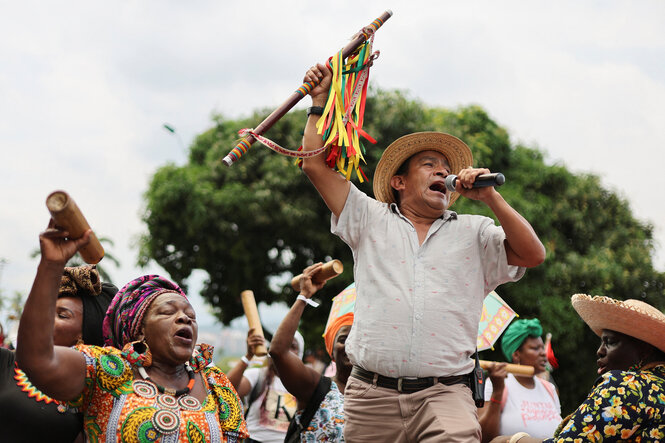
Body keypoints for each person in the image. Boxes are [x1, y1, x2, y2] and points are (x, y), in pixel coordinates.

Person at [299, 64, 546, 441]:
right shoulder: (368, 218)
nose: (442, 172)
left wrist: (491, 197)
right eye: (429, 165)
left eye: (447, 168)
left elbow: (533, 255)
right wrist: (319, 103)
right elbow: (314, 164)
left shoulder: (475, 230)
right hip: (370, 397)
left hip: (445, 393)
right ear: (398, 182)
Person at [15, 222, 248, 442]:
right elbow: (37, 359)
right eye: (167, 312)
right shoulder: (106, 369)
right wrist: (51, 265)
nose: (184, 317)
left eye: (191, 315)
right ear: (139, 330)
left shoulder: (215, 382)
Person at [491, 294, 665, 443]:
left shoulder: (625, 386)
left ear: (644, 350)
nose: (600, 351)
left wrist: (514, 439)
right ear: (516, 354)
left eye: (610, 343)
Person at [0, 264, 116, 443]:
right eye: (48, 311)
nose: (46, 319)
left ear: (83, 333)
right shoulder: (6, 362)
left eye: (62, 315)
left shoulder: (99, 389)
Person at [269, 263, 353, 442]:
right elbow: (278, 351)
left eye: (358, 339)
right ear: (331, 352)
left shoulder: (380, 396)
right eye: (343, 340)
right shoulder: (316, 388)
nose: (350, 345)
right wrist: (304, 296)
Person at [479, 319, 562, 442]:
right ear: (516, 355)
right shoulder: (497, 383)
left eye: (542, 347)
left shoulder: (549, 388)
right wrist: (498, 391)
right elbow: (484, 437)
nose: (543, 353)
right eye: (535, 348)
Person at [226, 328, 303, 443]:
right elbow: (226, 390)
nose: (286, 349)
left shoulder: (303, 385)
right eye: (281, 344)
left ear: (300, 354)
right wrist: (248, 356)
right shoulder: (257, 375)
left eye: (292, 346)